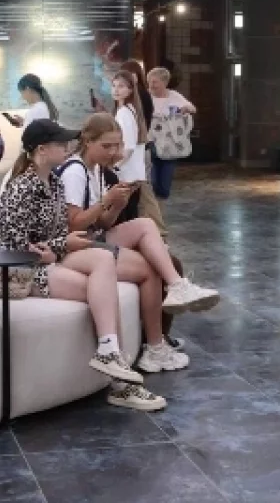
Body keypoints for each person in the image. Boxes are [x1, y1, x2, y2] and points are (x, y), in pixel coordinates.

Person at [0, 118, 166, 412]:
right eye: (61, 144)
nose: (68, 147)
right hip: (20, 272)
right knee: (104, 295)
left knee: (103, 261)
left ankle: (109, 352)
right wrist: (59, 245)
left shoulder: (55, 183)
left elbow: (57, 236)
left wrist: (60, 244)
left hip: (49, 259)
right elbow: (14, 244)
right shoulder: (21, 187)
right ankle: (121, 383)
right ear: (42, 150)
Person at [59, 113, 219, 372]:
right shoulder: (75, 172)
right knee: (149, 268)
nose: (114, 153)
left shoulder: (97, 170)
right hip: (73, 246)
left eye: (117, 146)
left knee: (145, 224)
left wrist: (117, 205)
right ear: (88, 142)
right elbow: (74, 225)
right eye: (107, 146)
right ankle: (154, 347)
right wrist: (107, 201)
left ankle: (178, 286)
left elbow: (103, 224)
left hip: (92, 237)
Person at [121, 59, 167, 234]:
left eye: (121, 84)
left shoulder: (138, 96)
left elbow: (136, 129)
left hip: (137, 150)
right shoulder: (139, 96)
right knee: (141, 192)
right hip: (139, 149)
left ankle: (159, 229)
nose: (117, 89)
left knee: (144, 192)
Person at [147, 66, 198, 200]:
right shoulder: (146, 96)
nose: (151, 85)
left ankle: (161, 199)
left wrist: (186, 108)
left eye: (154, 82)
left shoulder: (174, 96)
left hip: (170, 144)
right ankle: (155, 201)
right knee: (153, 177)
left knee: (165, 182)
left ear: (165, 82)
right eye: (149, 81)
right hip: (151, 140)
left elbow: (192, 109)